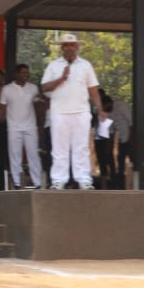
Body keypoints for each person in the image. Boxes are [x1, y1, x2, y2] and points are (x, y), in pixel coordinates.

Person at [40, 33, 102, 190]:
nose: (69, 48)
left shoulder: (86, 65)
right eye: (66, 45)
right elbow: (44, 87)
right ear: (62, 48)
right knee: (59, 148)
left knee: (81, 147)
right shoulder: (53, 65)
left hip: (81, 112)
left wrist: (100, 109)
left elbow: (93, 90)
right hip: (59, 113)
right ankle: (58, 181)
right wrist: (61, 78)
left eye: (72, 45)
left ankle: (84, 180)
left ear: (77, 47)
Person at [0, 63, 43, 190]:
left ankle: (37, 182)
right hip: (14, 127)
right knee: (15, 155)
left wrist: (40, 125)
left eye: (27, 73)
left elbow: (38, 107)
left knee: (33, 155)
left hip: (30, 127)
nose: (25, 75)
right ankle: (16, 182)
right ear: (16, 74)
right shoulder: (7, 89)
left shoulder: (33, 88)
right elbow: (1, 109)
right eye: (23, 73)